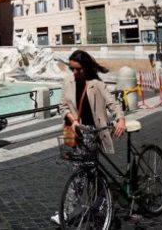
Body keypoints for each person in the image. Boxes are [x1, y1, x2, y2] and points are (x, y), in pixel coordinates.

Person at [51, 49, 126, 224]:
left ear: (86, 68)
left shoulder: (96, 83)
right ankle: (102, 199)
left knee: (81, 172)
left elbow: (112, 103)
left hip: (92, 133)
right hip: (74, 132)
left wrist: (120, 119)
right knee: (88, 171)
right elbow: (63, 106)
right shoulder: (68, 81)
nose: (74, 72)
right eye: (72, 69)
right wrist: (72, 119)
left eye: (78, 69)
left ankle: (67, 212)